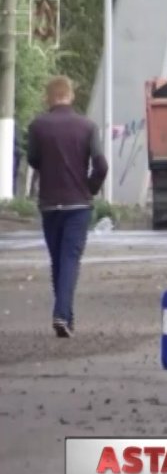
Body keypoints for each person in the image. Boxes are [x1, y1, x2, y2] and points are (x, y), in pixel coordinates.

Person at [25, 76, 109, 338]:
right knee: (70, 260)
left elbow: (33, 160)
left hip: (49, 203)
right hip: (78, 204)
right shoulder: (87, 127)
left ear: (49, 97)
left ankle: (66, 317)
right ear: (70, 96)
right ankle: (62, 315)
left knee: (58, 261)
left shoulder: (37, 126)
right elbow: (102, 165)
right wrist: (90, 187)